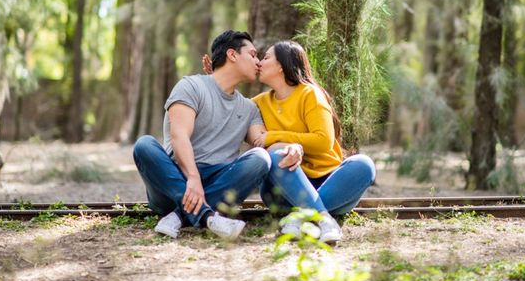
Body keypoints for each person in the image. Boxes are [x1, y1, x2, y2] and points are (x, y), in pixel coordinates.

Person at [133, 30, 271, 240]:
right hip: (173, 182)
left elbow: (263, 141)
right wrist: (193, 177)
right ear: (232, 55)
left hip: (219, 183)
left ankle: (180, 217)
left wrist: (295, 143)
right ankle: (207, 216)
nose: (258, 62)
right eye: (253, 55)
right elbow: (179, 135)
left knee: (260, 159)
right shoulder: (191, 86)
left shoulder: (249, 108)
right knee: (144, 146)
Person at [252, 41, 376, 243]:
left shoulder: (310, 94)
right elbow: (228, 111)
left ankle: (299, 218)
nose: (259, 62)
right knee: (276, 154)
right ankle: (323, 217)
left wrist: (274, 136)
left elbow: (323, 141)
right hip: (284, 187)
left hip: (330, 183)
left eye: (266, 58)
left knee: (364, 164)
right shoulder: (259, 102)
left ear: (281, 65)